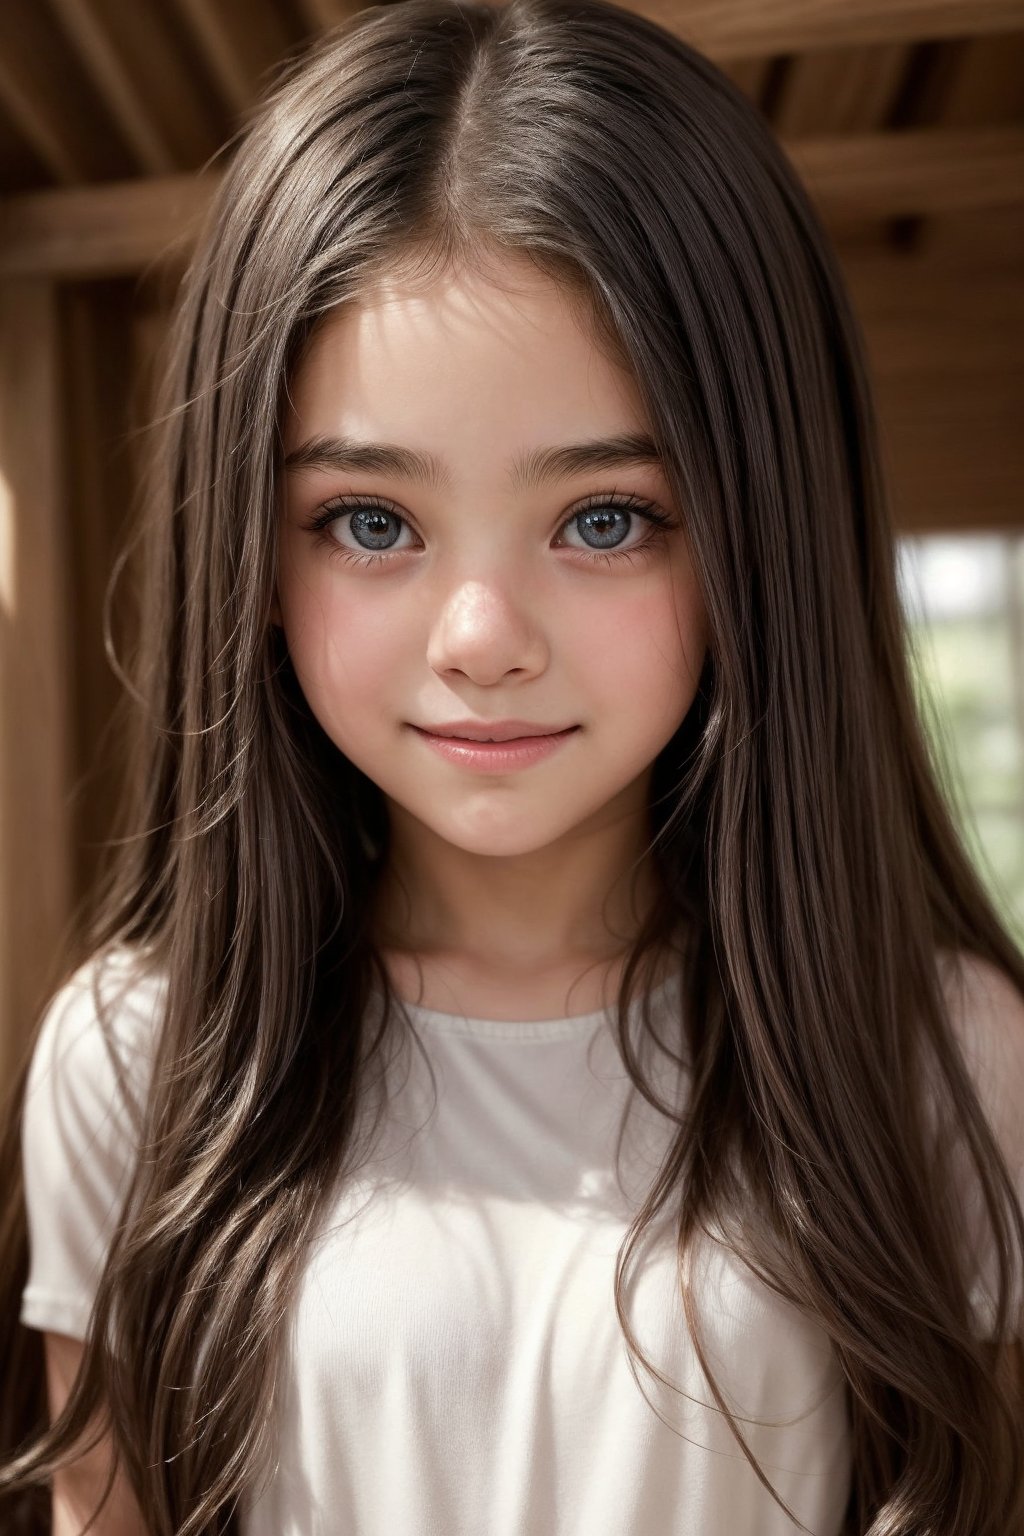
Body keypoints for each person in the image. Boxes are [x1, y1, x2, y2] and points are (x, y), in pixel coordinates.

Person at [1, 0, 1022, 1531]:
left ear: (764, 530)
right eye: (370, 521)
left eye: (605, 517)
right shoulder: (141, 1055)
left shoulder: (944, 1048)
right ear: (251, 555)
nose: (481, 636)